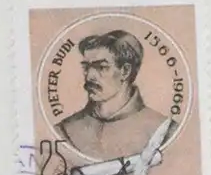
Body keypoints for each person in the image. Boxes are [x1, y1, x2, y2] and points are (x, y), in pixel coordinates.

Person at [55, 31, 174, 164]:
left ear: (125, 71)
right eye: (86, 67)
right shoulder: (65, 130)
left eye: (101, 67)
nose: (89, 76)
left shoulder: (163, 130)